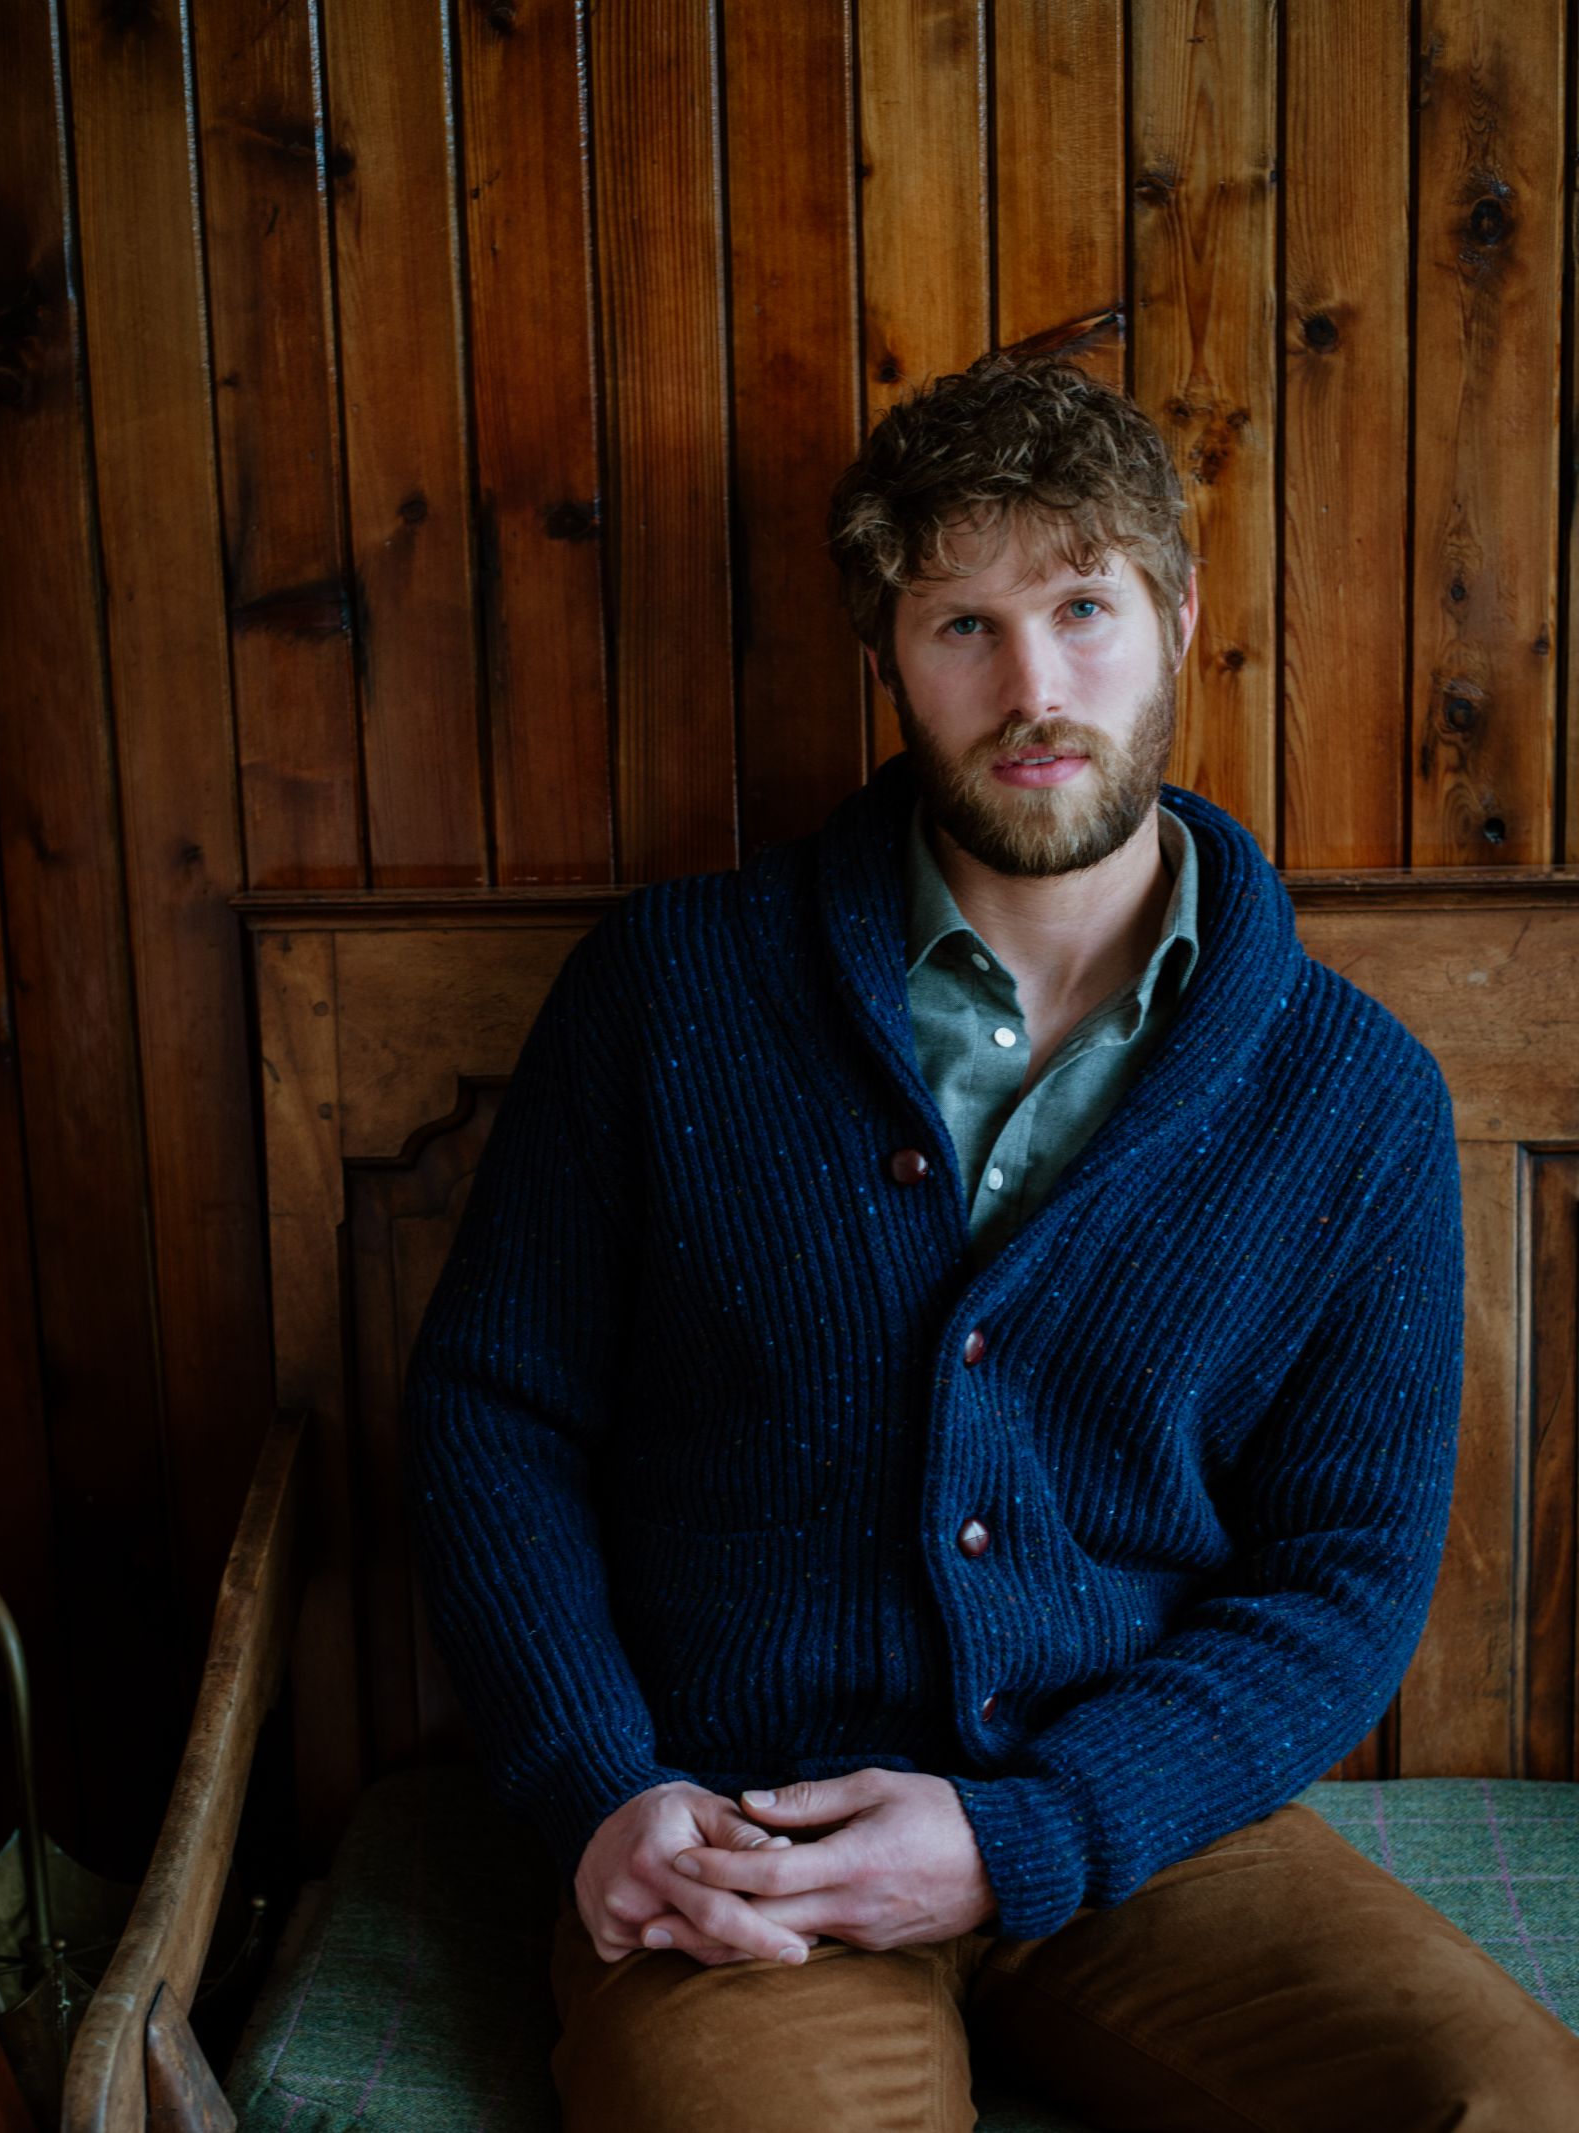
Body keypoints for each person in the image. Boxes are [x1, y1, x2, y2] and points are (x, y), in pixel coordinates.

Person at [403, 352, 1579, 2130]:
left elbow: (1341, 1577)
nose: (1036, 689)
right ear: (889, 655)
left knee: (1511, 2103)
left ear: (1178, 615)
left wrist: (1020, 1831)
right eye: (965, 624)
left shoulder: (1356, 1100)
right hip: (749, 1847)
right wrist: (599, 1790)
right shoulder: (667, 994)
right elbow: (494, 1413)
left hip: (1138, 1832)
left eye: (1084, 608)